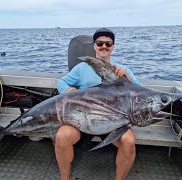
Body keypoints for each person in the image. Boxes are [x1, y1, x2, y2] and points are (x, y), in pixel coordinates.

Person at [55, 27, 144, 180]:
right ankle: (65, 178)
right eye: (100, 43)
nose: (104, 47)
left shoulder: (121, 70)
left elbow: (142, 93)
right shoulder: (82, 67)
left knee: (128, 142)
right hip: (82, 119)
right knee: (62, 136)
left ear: (113, 47)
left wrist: (127, 78)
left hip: (114, 121)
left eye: (108, 44)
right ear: (95, 45)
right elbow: (62, 82)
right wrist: (67, 90)